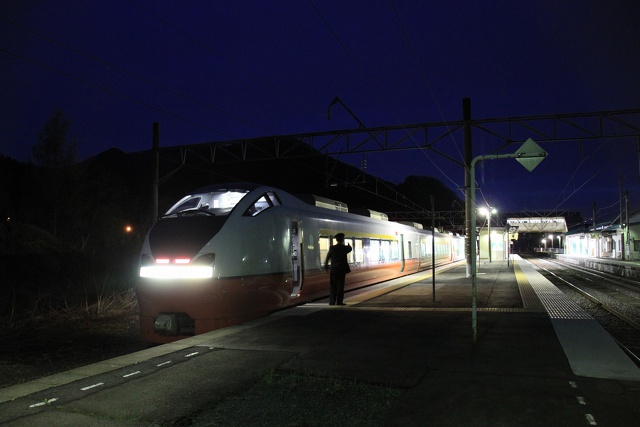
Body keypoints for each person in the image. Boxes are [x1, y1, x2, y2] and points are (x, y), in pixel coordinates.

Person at [324, 233, 352, 305]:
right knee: (340, 286)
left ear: (336, 240)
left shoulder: (332, 248)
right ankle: (339, 302)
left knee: (333, 285)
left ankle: (332, 301)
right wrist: (349, 245)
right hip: (341, 270)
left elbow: (328, 257)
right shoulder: (344, 248)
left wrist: (326, 265)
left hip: (333, 269)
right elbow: (350, 249)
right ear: (342, 239)